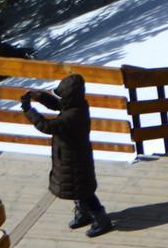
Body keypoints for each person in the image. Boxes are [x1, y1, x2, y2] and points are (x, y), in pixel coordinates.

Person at [20, 73, 113, 237]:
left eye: (63, 95)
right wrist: (39, 96)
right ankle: (84, 213)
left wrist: (28, 110)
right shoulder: (77, 105)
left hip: (76, 158)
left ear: (70, 96)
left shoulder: (74, 115)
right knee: (77, 189)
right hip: (70, 156)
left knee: (85, 191)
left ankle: (101, 219)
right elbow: (58, 104)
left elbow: (48, 126)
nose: (61, 99)